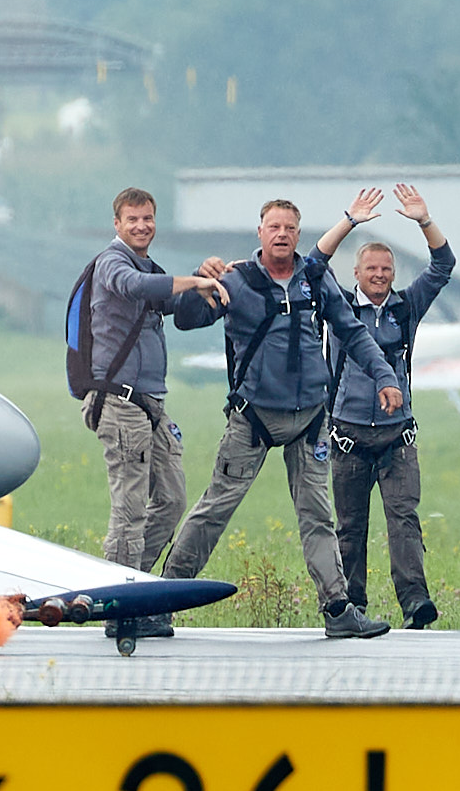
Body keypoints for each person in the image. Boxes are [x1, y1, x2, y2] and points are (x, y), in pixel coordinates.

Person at [159, 194, 401, 638]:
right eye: (274, 227)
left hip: (310, 418)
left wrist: (386, 378)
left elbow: (352, 332)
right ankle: (161, 601)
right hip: (253, 420)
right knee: (214, 510)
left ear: (298, 234)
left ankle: (338, 610)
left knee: (317, 516)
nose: (282, 235)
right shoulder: (239, 280)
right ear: (260, 233)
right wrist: (200, 279)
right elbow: (187, 320)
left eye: (290, 228)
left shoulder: (314, 279)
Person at [70, 189, 228, 651]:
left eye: (148, 219)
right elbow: (140, 291)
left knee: (173, 500)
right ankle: (118, 609)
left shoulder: (151, 268)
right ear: (117, 223)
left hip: (152, 406)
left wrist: (216, 282)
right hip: (118, 403)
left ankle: (137, 591)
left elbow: (183, 312)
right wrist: (191, 279)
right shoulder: (113, 264)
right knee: (129, 510)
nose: (142, 226)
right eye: (133, 219)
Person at [314, 182, 455, 629]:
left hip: (398, 436)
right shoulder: (337, 306)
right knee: (349, 530)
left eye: (386, 268)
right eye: (371, 268)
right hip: (347, 436)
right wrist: (350, 220)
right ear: (356, 273)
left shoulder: (406, 307)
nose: (379, 275)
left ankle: (415, 603)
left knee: (404, 521)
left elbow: (443, 265)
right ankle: (351, 604)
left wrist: (424, 221)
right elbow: (313, 267)